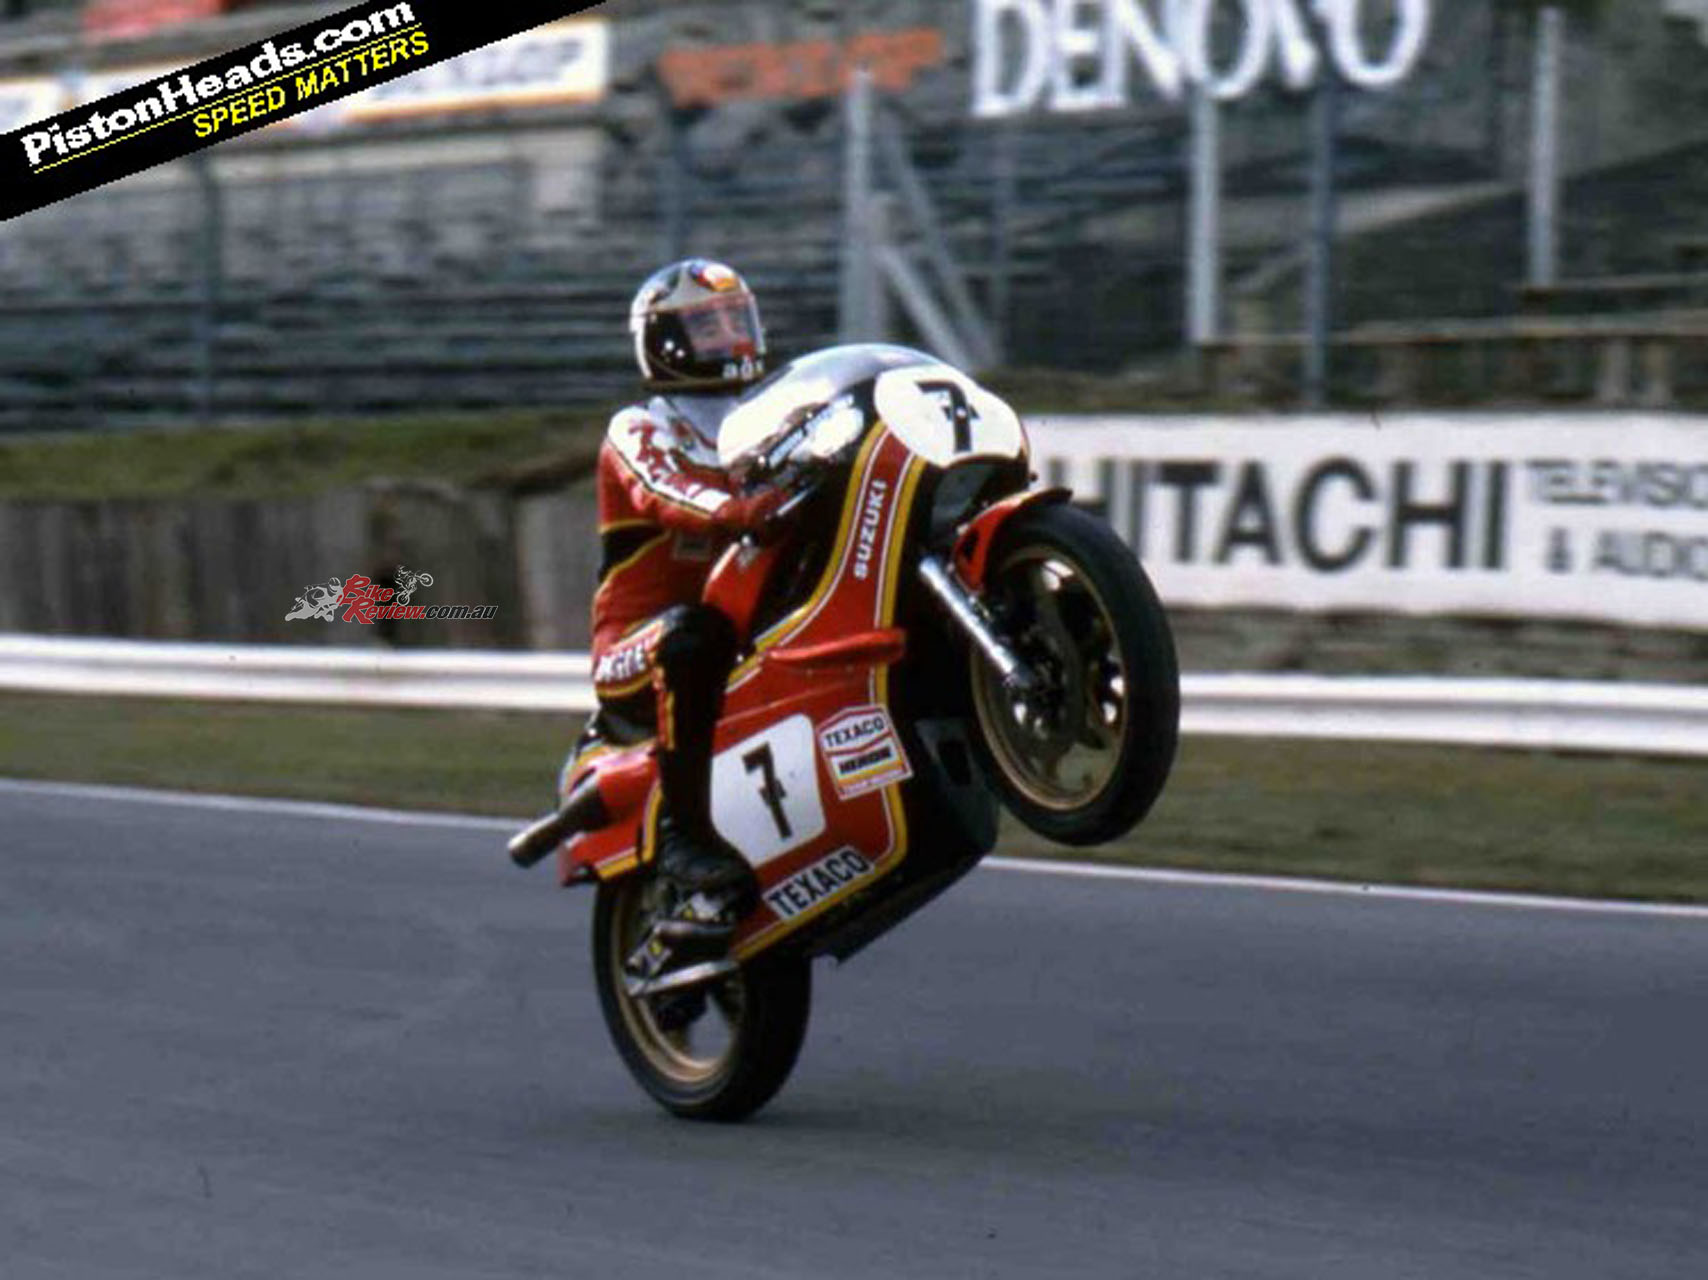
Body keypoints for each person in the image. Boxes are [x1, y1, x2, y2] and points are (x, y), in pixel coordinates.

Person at [590, 259, 784, 941]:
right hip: (635, 647)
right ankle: (683, 835)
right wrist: (735, 510)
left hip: (740, 627)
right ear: (665, 342)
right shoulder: (641, 426)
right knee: (690, 635)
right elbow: (662, 491)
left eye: (737, 320)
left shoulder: (769, 418)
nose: (729, 338)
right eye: (708, 327)